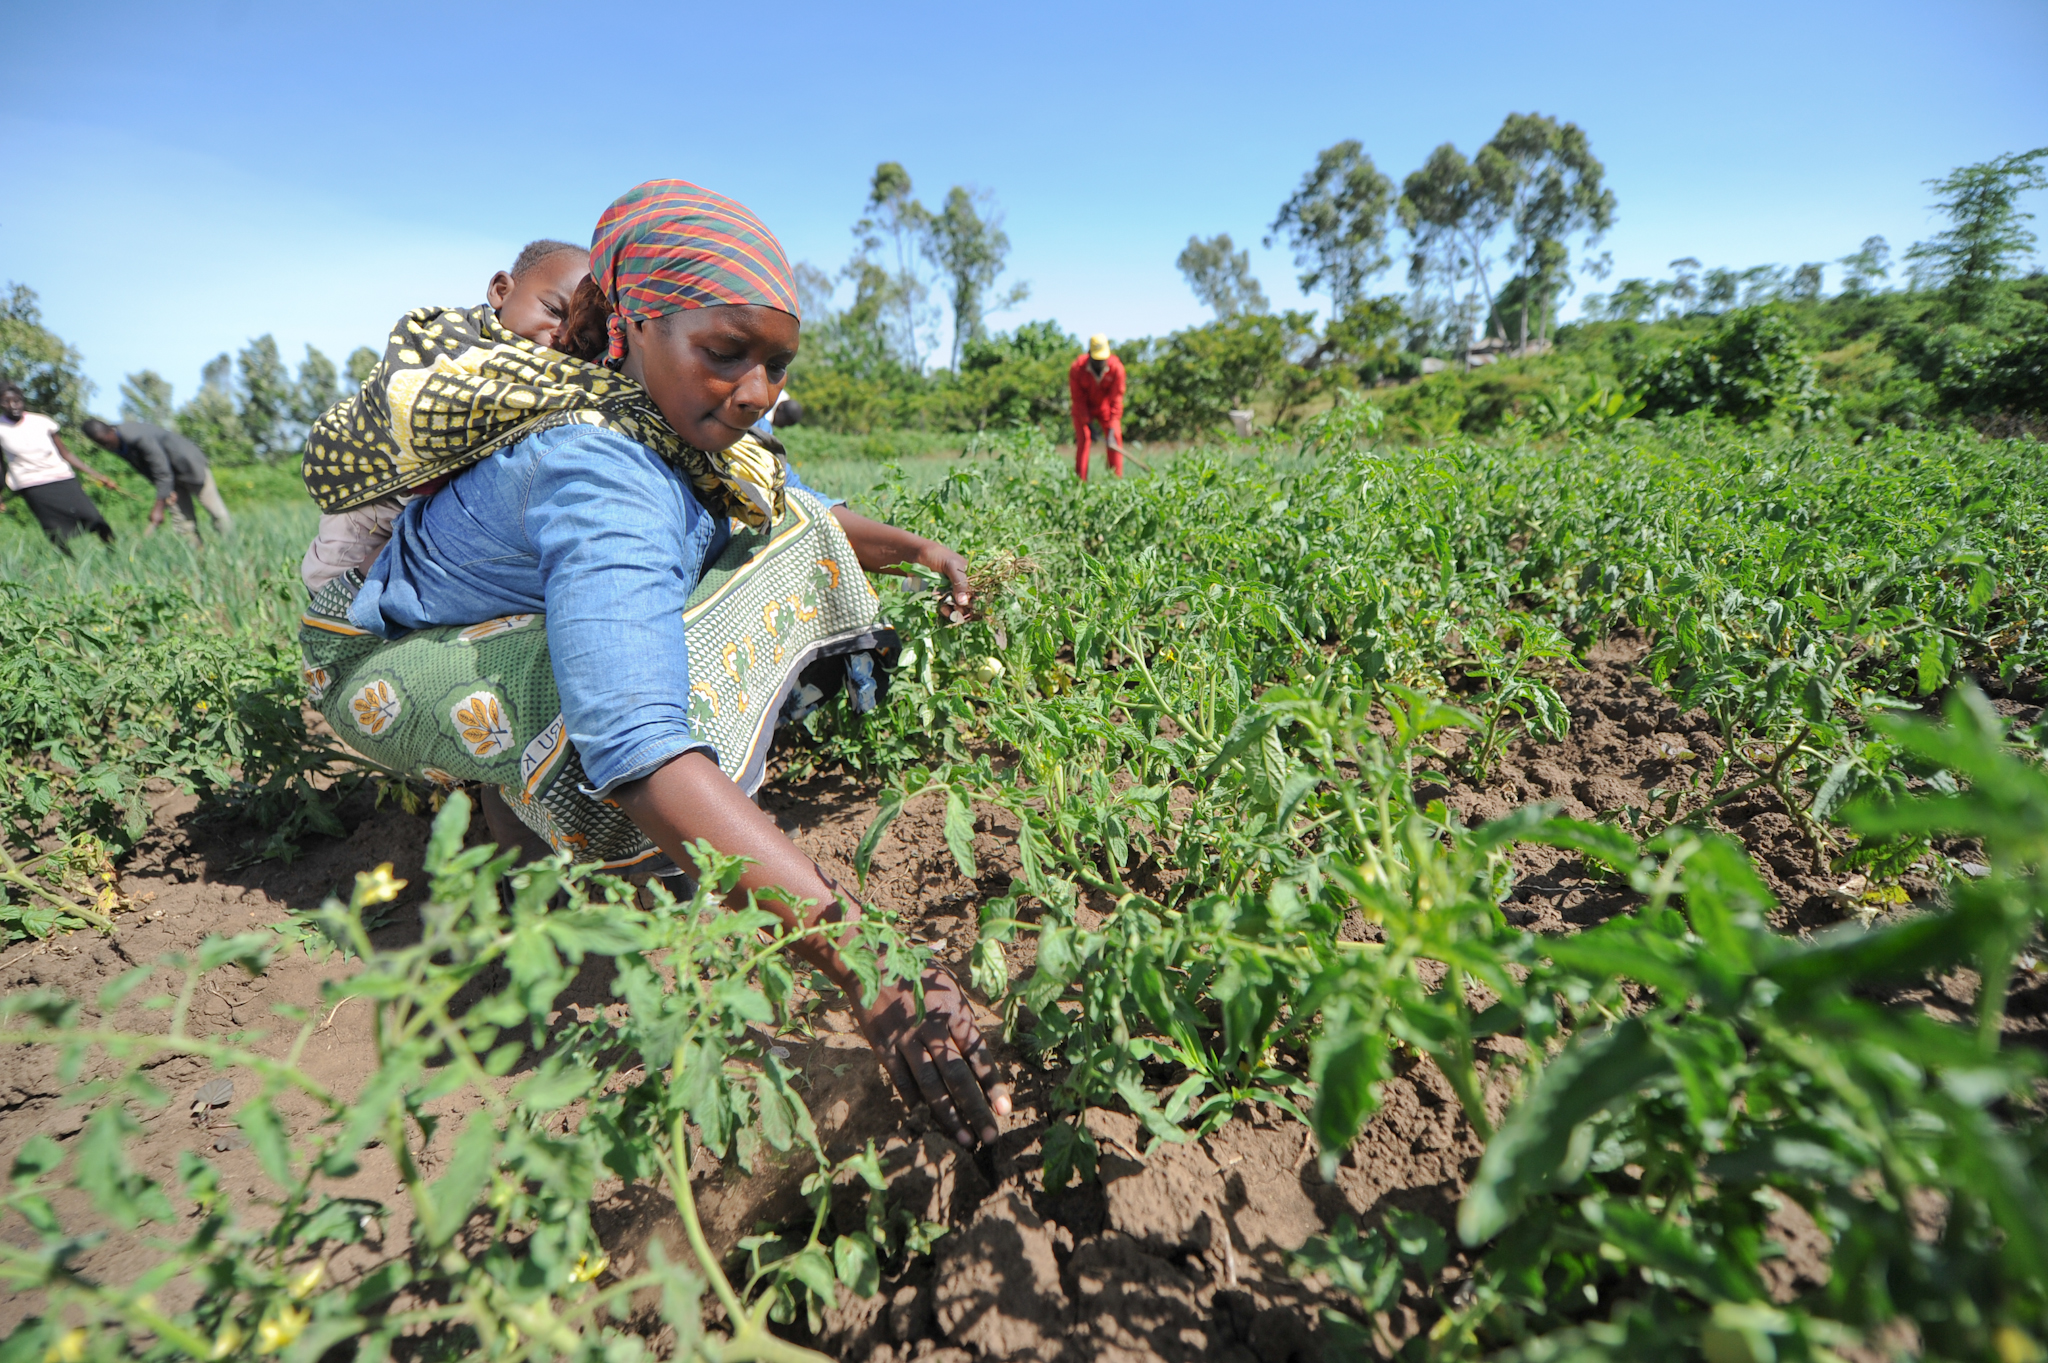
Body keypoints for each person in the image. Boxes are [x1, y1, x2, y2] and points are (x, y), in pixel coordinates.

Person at [297, 179, 1009, 1147]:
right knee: (623, 696)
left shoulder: (685, 427)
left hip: (490, 629)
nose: (756, 392)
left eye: (774, 366)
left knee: (779, 533)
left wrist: (923, 550)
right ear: (629, 328)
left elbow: (805, 506)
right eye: (725, 353)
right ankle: (566, 845)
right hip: (376, 662)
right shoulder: (601, 467)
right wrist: (870, 966)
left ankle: (555, 818)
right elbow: (634, 739)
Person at [299, 239, 591, 594]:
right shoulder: (452, 339)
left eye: (581, 336)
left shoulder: (549, 382)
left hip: (439, 514)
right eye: (553, 310)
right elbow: (405, 399)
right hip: (374, 504)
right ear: (501, 291)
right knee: (329, 585)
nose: (562, 336)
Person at [0, 384, 119, 553]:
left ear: (23, 400)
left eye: (17, 401)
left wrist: (98, 476)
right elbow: (1, 467)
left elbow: (66, 453)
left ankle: (114, 550)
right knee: (53, 529)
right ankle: (70, 563)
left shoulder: (42, 421)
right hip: (31, 485)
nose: (13, 405)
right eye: (6, 402)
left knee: (94, 517)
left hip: (61, 477)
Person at [80, 417, 233, 541]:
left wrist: (158, 508)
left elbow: (162, 471)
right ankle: (197, 555)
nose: (106, 446)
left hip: (189, 467)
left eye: (106, 441)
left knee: (216, 512)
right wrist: (165, 491)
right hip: (169, 480)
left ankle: (229, 545)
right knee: (182, 522)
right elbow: (147, 468)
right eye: (101, 444)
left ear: (110, 430)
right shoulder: (117, 444)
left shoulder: (136, 436)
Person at [1068, 333, 1126, 481]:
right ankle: (1080, 483)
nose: (1100, 363)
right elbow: (1078, 400)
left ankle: (1116, 482)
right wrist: (1088, 424)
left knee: (1115, 439)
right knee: (1085, 439)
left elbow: (1116, 400)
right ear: (1089, 354)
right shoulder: (1077, 369)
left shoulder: (1117, 369)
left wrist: (1112, 429)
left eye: (1103, 359)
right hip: (1083, 410)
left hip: (1105, 409)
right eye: (1097, 359)